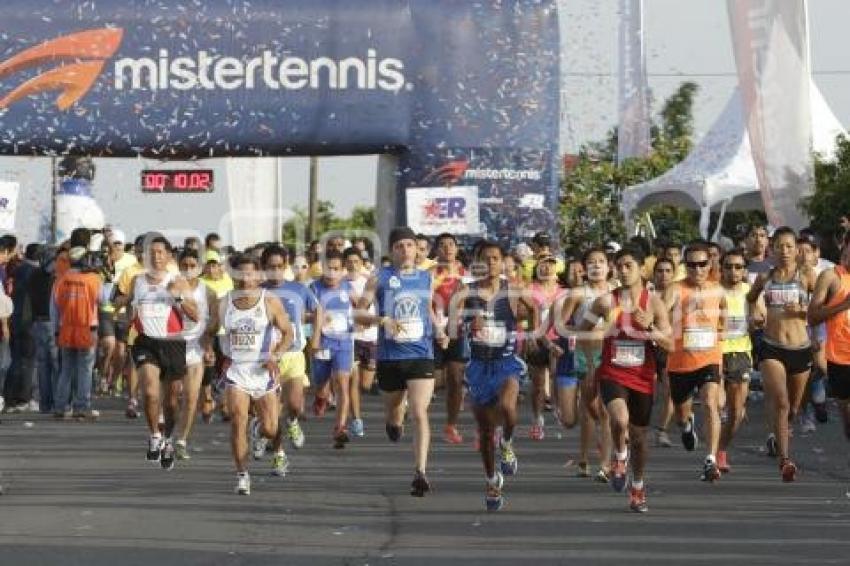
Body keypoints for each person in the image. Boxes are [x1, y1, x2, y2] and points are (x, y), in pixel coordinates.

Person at [355, 226, 449, 496]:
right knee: (395, 413)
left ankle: (420, 471)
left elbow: (427, 308)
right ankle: (394, 420)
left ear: (417, 249)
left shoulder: (425, 278)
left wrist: (439, 330)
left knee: (420, 411)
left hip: (420, 354)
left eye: (410, 245)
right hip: (390, 357)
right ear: (391, 251)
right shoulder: (379, 278)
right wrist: (381, 319)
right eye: (400, 246)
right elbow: (358, 314)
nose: (406, 250)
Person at [579, 244, 673, 513]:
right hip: (612, 372)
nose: (622, 271)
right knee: (619, 420)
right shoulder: (606, 301)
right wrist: (589, 365)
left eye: (628, 265)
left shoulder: (654, 303)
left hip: (643, 376)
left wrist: (650, 328)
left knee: (640, 438)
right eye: (618, 266)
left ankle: (638, 486)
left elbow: (670, 345)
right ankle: (620, 457)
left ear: (642, 268)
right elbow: (583, 330)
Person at [450, 240, 535, 511]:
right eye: (485, 258)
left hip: (505, 363)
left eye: (496, 258)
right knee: (486, 432)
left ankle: (507, 443)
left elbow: (534, 308)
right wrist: (465, 322)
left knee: (509, 407)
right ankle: (491, 479)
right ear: (476, 262)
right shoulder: (466, 291)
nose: (490, 263)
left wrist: (531, 335)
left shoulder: (512, 291)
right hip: (478, 366)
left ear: (502, 262)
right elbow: (451, 316)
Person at [116, 235, 198, 470]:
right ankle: (154, 435)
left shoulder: (179, 281)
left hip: (172, 343)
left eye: (160, 252)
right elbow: (128, 302)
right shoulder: (137, 280)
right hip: (146, 343)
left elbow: (195, 315)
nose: (155, 256)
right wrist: (120, 308)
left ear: (169, 256)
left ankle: (169, 439)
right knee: (151, 393)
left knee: (172, 401)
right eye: (151, 253)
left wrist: (178, 298)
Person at [219, 254, 293, 495]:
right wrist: (211, 351)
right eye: (240, 273)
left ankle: (260, 428)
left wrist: (276, 355)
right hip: (237, 371)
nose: (245, 279)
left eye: (250, 273)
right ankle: (242, 475)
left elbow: (288, 333)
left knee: (271, 429)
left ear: (259, 276)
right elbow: (210, 330)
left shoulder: (269, 301)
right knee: (237, 419)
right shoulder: (224, 302)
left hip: (263, 371)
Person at [747, 226, 816, 481]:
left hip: (800, 348)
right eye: (779, 246)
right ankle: (785, 460)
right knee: (782, 403)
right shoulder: (765, 277)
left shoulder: (807, 276)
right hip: (772, 346)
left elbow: (820, 308)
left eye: (789, 246)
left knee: (793, 409)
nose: (784, 251)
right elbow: (750, 297)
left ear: (797, 250)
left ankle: (779, 434)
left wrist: (803, 309)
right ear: (771, 249)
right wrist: (755, 312)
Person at [663, 241, 727, 482]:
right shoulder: (676, 289)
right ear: (685, 266)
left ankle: (710, 458)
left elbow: (724, 318)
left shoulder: (717, 289)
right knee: (681, 413)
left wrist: (721, 338)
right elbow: (661, 310)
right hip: (680, 362)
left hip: (709, 358)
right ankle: (687, 425)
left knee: (711, 403)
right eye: (692, 265)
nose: (697, 270)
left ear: (709, 264)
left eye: (702, 264)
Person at [558, 247, 614, 481]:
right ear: (584, 268)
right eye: (591, 262)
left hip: (610, 353)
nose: (597, 266)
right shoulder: (577, 294)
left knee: (605, 410)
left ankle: (606, 464)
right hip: (584, 354)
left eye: (601, 261)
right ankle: (587, 453)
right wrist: (581, 331)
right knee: (590, 408)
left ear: (609, 266)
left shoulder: (617, 292)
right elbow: (560, 326)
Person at [808, 232, 850, 475]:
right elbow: (812, 316)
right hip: (841, 359)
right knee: (848, 424)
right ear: (845, 246)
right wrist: (843, 305)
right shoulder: (831, 277)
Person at [174, 249, 218, 460]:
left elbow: (213, 324)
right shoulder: (170, 287)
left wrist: (208, 346)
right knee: (171, 398)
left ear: (199, 268)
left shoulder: (208, 293)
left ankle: (181, 440)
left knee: (191, 398)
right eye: (185, 265)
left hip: (195, 348)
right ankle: (165, 433)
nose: (189, 270)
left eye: (193, 266)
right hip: (171, 345)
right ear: (178, 265)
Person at [307, 250, 355, 449]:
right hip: (322, 342)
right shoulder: (313, 288)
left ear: (343, 270)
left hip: (343, 343)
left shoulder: (347, 286)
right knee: (322, 386)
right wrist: (315, 318)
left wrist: (363, 319)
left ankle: (340, 427)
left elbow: (360, 305)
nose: (331, 273)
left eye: (336, 269)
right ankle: (320, 397)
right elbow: (302, 314)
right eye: (328, 269)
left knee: (343, 383)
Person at [53, 246, 102, 420]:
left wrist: (56, 331)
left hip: (65, 327)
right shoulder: (94, 279)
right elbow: (103, 301)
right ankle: (82, 406)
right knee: (85, 369)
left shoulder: (61, 279)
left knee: (66, 368)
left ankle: (60, 406)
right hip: (87, 329)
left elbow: (55, 307)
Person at [717, 249, 753, 473]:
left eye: (738, 267)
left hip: (740, 353)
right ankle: (713, 455)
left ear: (744, 270)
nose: (733, 271)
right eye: (728, 266)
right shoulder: (712, 291)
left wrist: (759, 319)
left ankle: (721, 449)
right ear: (721, 268)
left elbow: (761, 315)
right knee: (717, 404)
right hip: (715, 352)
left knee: (737, 412)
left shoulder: (750, 291)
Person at [431, 233, 469, 445]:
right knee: (432, 381)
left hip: (457, 330)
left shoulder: (465, 273)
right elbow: (426, 301)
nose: (447, 249)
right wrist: (438, 328)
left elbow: (468, 300)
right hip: (433, 329)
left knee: (455, 378)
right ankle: (416, 410)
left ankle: (451, 425)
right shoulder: (429, 273)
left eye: (451, 245)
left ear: (456, 248)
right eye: (442, 245)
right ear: (436, 250)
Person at [526, 254, 562, 440]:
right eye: (543, 265)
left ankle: (559, 409)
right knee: (539, 385)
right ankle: (537, 420)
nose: (547, 268)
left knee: (557, 378)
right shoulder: (529, 290)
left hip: (559, 341)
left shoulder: (564, 292)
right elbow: (524, 316)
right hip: (538, 341)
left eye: (551, 265)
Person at [345, 246, 376, 438]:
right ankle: (356, 419)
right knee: (353, 381)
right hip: (350, 338)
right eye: (349, 261)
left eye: (356, 261)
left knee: (365, 385)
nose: (352, 265)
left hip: (371, 337)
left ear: (362, 264)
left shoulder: (369, 281)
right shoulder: (340, 284)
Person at [651, 257, 676, 448]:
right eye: (660, 270)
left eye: (668, 271)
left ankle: (662, 431)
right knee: (646, 391)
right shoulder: (646, 294)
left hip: (669, 347)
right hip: (647, 346)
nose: (664, 275)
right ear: (654, 274)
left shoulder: (680, 294)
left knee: (669, 390)